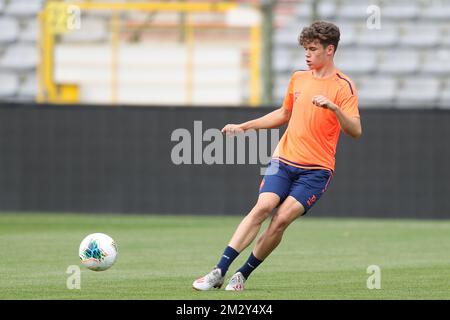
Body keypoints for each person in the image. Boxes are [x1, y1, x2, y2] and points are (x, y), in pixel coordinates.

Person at [192, 21, 362, 291]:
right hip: (283, 160)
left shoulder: (344, 87)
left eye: (313, 49)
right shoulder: (299, 78)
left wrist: (334, 109)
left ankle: (242, 275)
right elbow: (283, 114)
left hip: (316, 171)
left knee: (281, 219)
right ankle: (218, 271)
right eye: (305, 48)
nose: (307, 54)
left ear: (330, 50)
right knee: (262, 207)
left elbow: (355, 130)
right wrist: (244, 126)